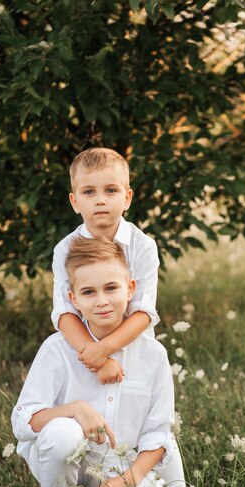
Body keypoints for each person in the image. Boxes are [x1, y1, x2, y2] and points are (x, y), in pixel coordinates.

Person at [11, 238, 188, 487]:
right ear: (73, 298)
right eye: (89, 292)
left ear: (131, 288)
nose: (102, 301)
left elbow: (158, 433)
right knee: (63, 432)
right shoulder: (56, 349)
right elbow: (24, 423)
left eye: (111, 288)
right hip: (66, 459)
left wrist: (124, 481)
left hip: (119, 463)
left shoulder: (153, 355)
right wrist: (76, 410)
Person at [52, 147, 160, 385]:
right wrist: (95, 355)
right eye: (89, 192)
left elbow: (143, 311)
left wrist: (105, 349)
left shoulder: (143, 246)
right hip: (82, 350)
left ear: (127, 198)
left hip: (133, 347)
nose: (100, 200)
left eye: (111, 190)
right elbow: (64, 312)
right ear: (75, 201)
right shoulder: (64, 250)